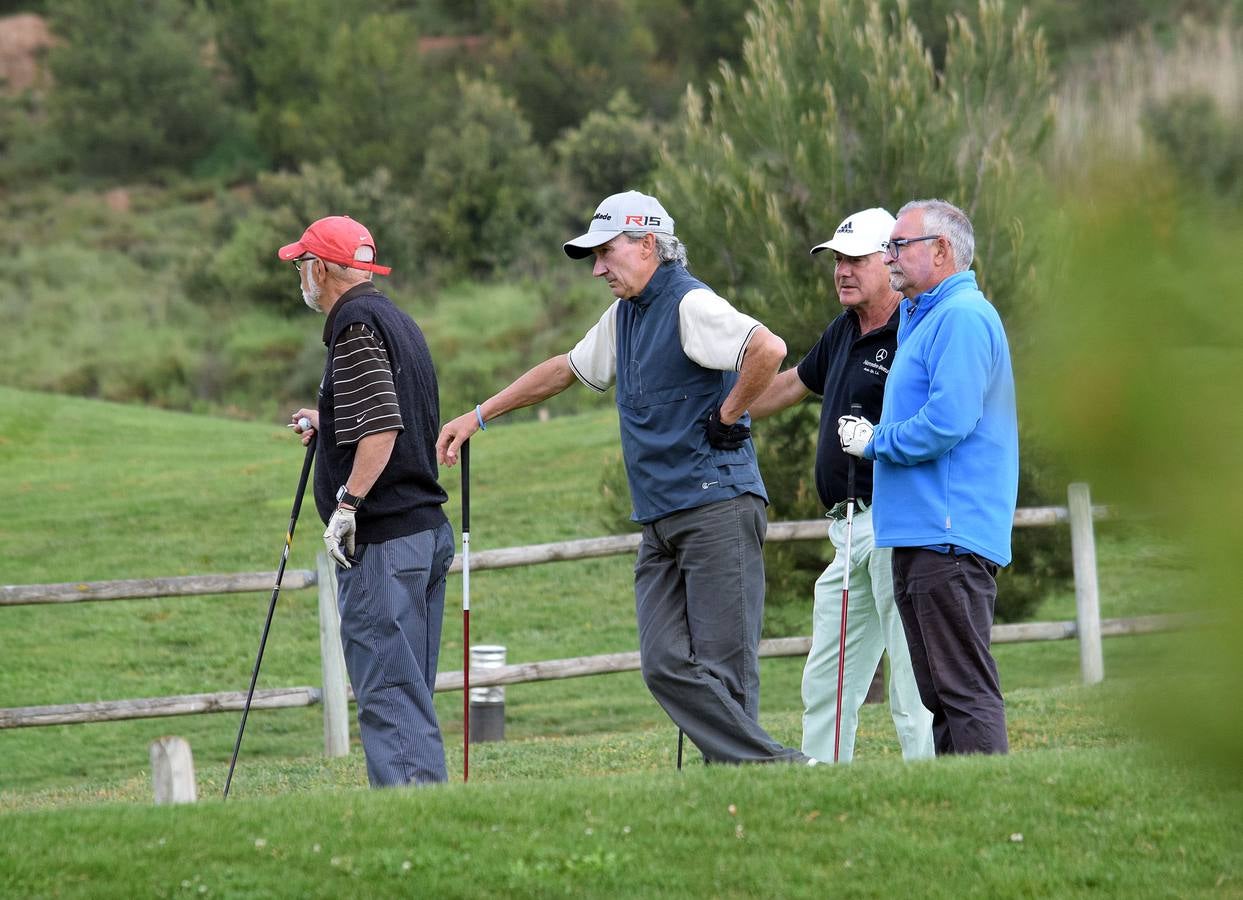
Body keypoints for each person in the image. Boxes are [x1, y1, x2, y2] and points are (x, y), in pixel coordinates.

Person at [437, 190, 813, 765]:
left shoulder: (689, 304)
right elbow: (565, 369)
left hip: (718, 505)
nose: (597, 268)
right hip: (662, 516)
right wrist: (479, 415)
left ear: (647, 244)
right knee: (662, 661)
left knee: (724, 670)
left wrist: (729, 413)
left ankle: (749, 793)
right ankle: (770, 769)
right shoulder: (625, 315)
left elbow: (767, 347)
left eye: (606, 252)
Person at [750, 208, 934, 764]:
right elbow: (789, 385)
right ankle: (821, 786)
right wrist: (728, 409)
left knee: (908, 678)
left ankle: (932, 786)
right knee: (826, 676)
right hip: (847, 529)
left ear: (889, 259)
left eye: (854, 259)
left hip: (897, 519)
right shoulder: (843, 332)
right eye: (837, 261)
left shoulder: (915, 327)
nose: (842, 271)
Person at [838, 199, 1018, 755]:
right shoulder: (926, 317)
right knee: (939, 691)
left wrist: (877, 442)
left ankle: (990, 805)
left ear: (941, 250)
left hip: (948, 533)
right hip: (920, 534)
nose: (888, 256)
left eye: (899, 245)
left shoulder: (961, 316)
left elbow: (949, 420)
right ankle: (965, 806)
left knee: (962, 688)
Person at [280, 215, 455, 786]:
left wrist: (347, 506)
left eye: (304, 263)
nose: (301, 275)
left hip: (385, 540)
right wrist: (327, 421)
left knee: (388, 690)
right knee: (409, 690)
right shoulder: (394, 318)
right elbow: (392, 415)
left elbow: (382, 428)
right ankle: (430, 818)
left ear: (324, 268)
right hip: (425, 533)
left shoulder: (352, 324)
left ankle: (410, 827)